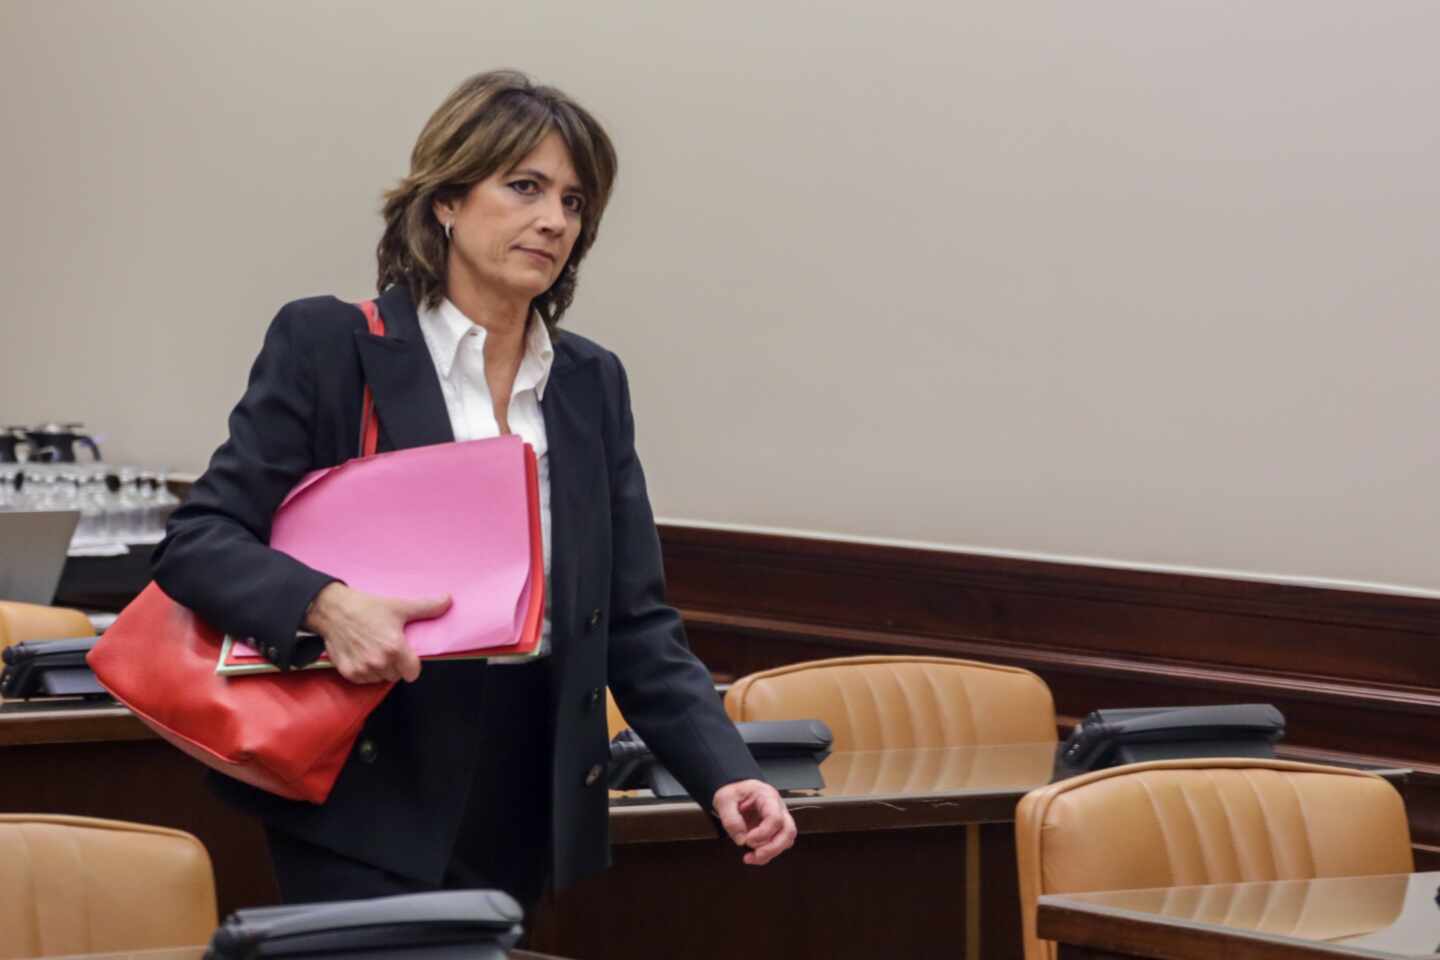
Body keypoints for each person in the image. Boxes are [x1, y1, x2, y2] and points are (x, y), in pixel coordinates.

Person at [152, 69, 796, 908]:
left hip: (531, 787)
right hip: (365, 784)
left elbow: (632, 622)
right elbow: (199, 541)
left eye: (573, 202)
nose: (552, 219)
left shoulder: (589, 381)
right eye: (525, 186)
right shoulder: (332, 345)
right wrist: (328, 606)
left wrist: (724, 774)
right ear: (447, 201)